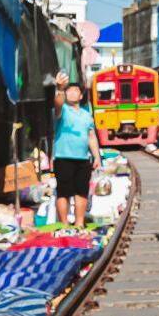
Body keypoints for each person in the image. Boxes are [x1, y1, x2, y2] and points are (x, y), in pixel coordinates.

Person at [53, 72, 101, 227]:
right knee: (63, 192)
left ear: (81, 96)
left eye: (75, 91)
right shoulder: (62, 111)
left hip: (82, 159)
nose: (71, 92)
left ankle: (79, 223)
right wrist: (60, 89)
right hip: (63, 157)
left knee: (81, 191)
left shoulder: (87, 115)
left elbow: (91, 136)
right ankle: (65, 224)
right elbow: (58, 103)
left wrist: (97, 156)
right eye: (69, 90)